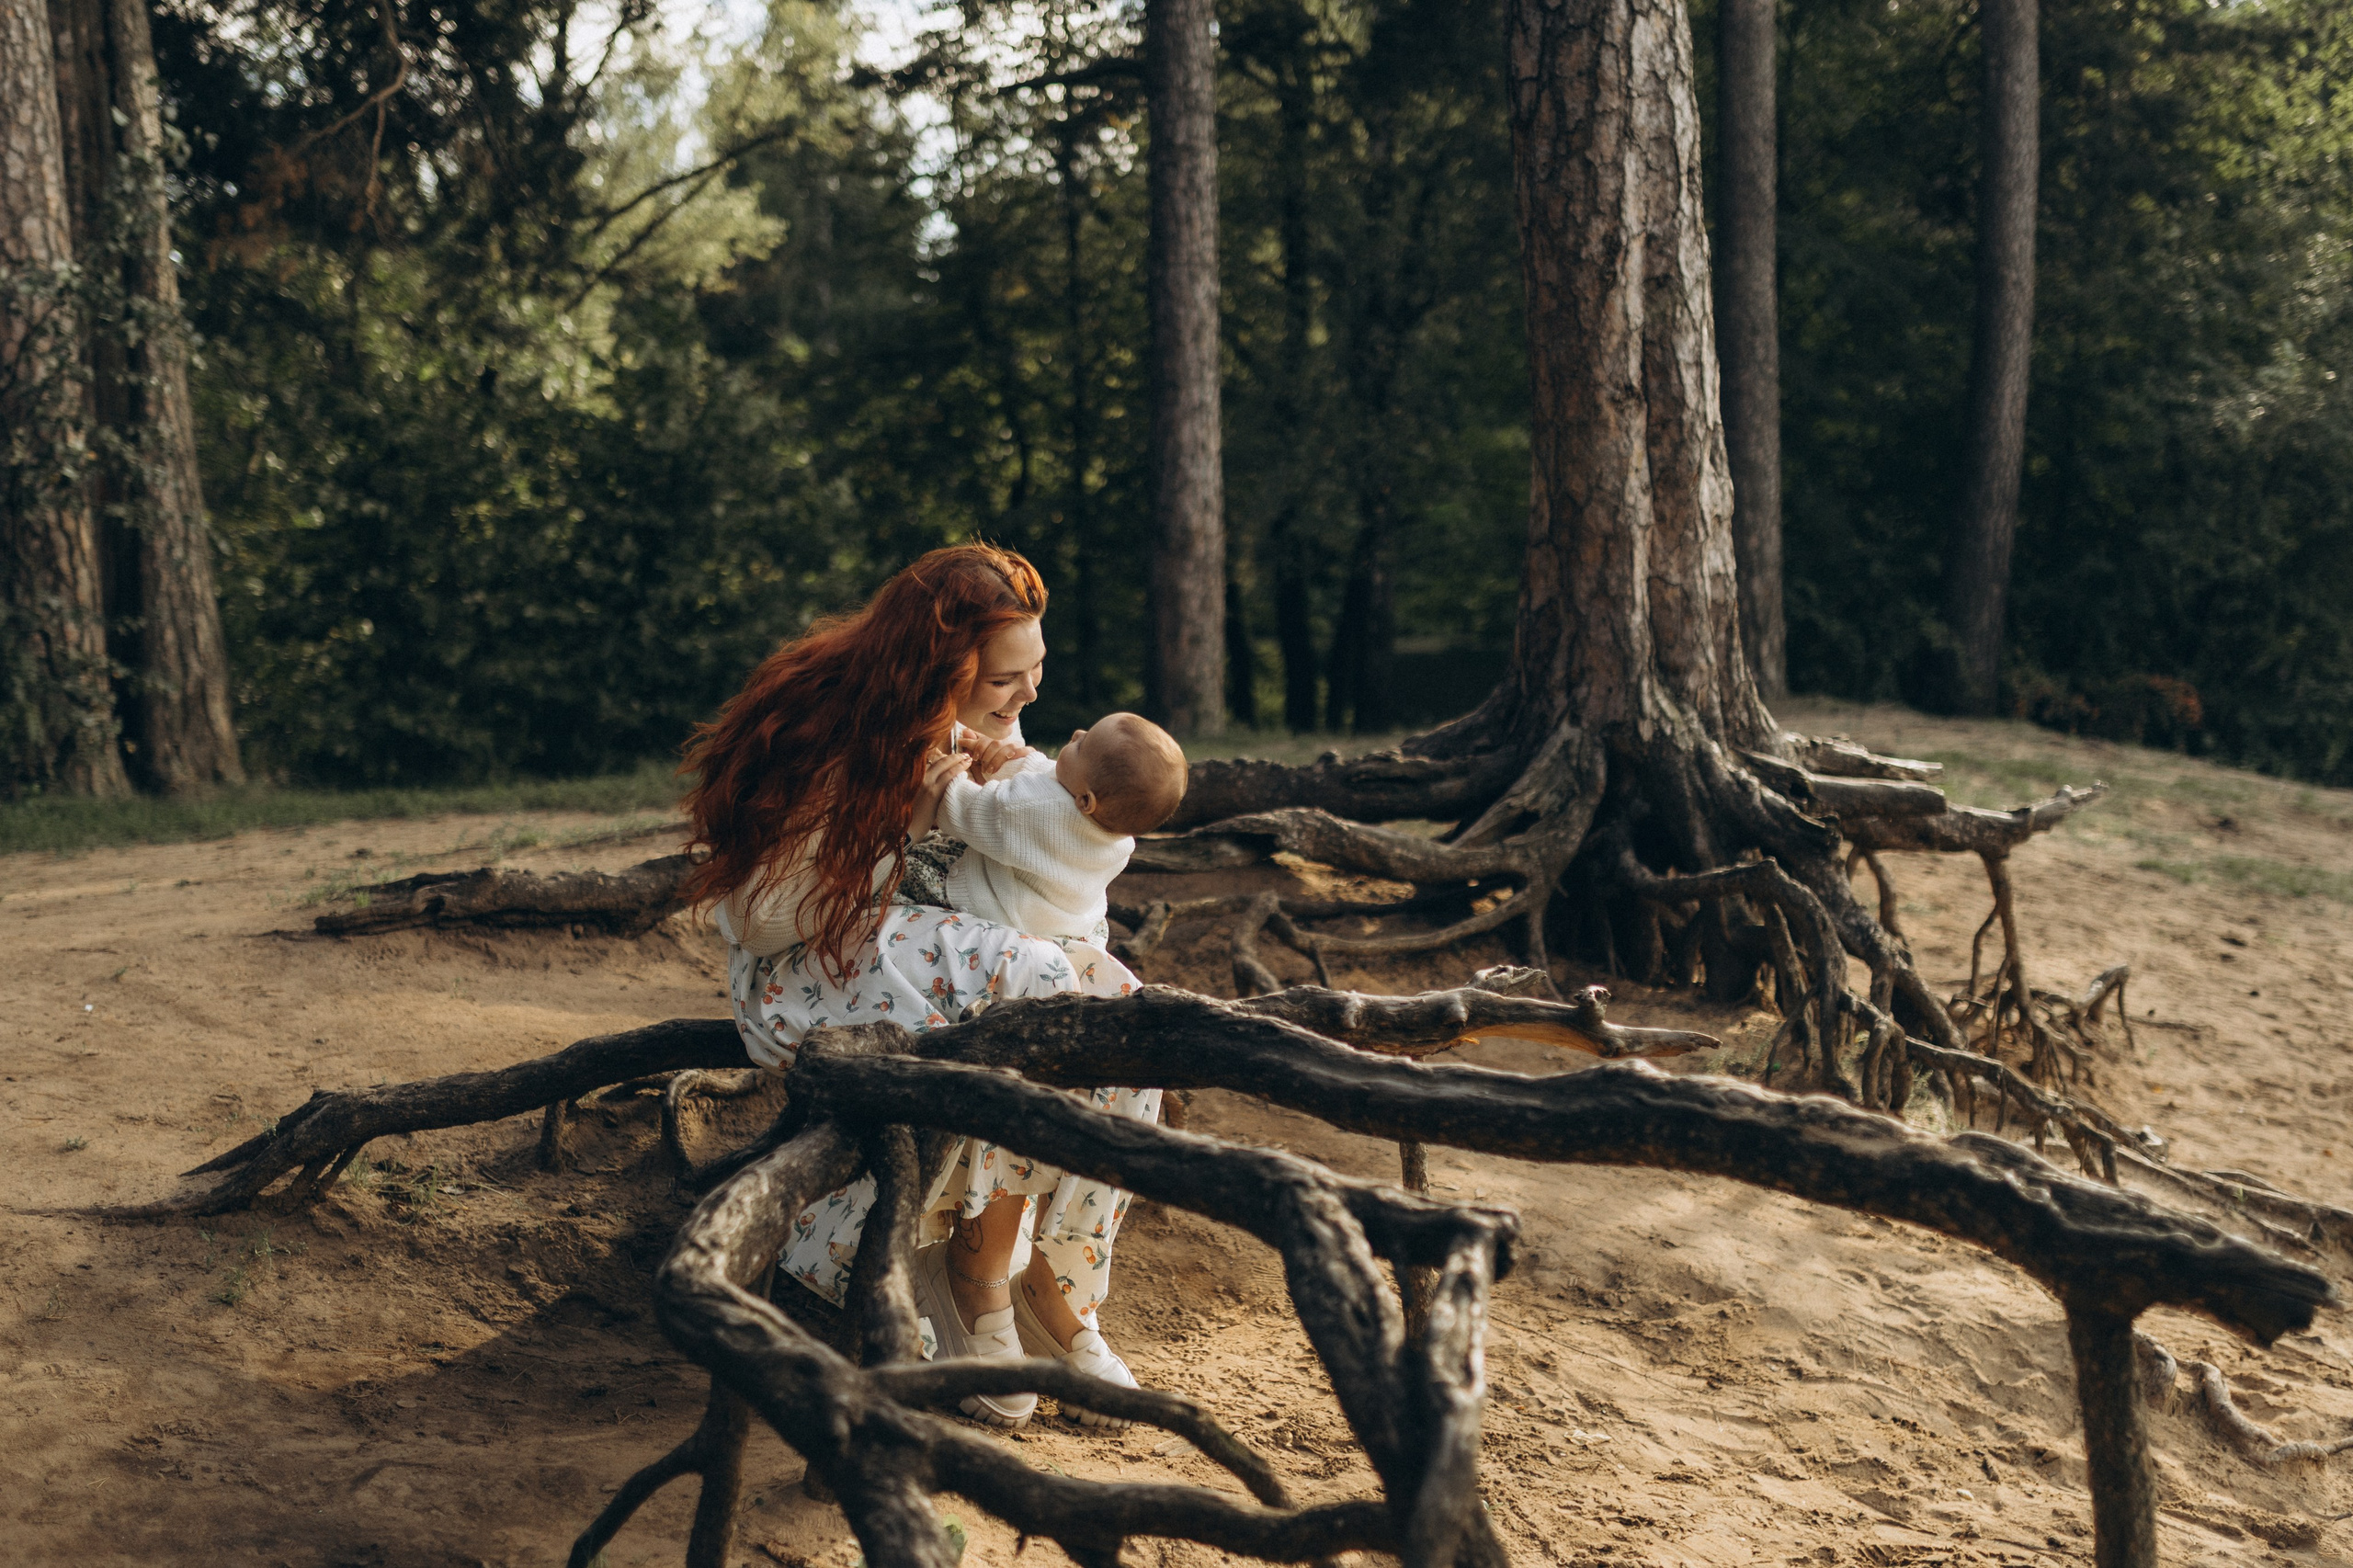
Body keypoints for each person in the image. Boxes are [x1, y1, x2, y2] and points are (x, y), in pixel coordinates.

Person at [679, 544, 1158, 1431]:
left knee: (1123, 1012)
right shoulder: (831, 729)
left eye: (1038, 672)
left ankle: (1052, 1283)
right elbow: (758, 920)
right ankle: (971, 1284)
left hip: (939, 940)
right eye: (1007, 679)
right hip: (814, 966)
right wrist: (901, 821)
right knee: (1036, 987)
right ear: (938, 667)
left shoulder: (979, 716)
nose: (1027, 699)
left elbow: (1032, 828)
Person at [935, 711, 1190, 949]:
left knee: (916, 870)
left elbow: (970, 809)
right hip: (1066, 925)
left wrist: (944, 776)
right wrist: (997, 756)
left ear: (1086, 801)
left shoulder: (1035, 812)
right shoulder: (1115, 834)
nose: (1077, 733)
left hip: (1000, 909)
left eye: (1081, 747)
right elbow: (1043, 772)